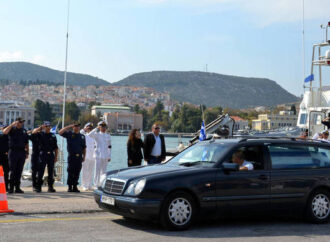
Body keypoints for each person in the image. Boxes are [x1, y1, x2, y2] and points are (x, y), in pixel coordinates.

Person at [2, 117, 29, 193]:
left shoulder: (24, 131)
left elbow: (26, 142)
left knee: (19, 170)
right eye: (20, 122)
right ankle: (11, 188)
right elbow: (4, 132)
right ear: (16, 122)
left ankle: (17, 187)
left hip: (22, 152)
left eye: (22, 122)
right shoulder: (12, 129)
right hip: (13, 152)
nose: (21, 123)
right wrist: (11, 124)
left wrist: (27, 152)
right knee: (13, 170)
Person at [59, 122, 86, 192]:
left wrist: (84, 156)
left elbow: (84, 148)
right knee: (70, 171)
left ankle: (75, 186)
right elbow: (60, 132)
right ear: (73, 127)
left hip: (79, 157)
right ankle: (70, 186)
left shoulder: (82, 136)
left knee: (77, 172)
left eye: (78, 126)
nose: (77, 127)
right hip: (72, 156)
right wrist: (69, 126)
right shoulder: (70, 134)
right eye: (75, 126)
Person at [32, 121, 58, 193]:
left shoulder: (53, 135)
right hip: (43, 154)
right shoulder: (40, 134)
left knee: (51, 172)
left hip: (51, 155)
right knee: (41, 171)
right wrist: (40, 127)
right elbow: (33, 132)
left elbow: (56, 148)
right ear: (44, 127)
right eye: (47, 126)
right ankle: (38, 187)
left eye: (49, 126)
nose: (48, 127)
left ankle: (50, 187)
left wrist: (56, 157)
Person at [87, 121, 111, 187]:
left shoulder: (108, 136)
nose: (103, 128)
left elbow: (109, 147)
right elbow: (89, 135)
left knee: (104, 171)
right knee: (97, 171)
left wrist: (109, 156)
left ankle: (101, 184)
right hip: (98, 155)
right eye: (102, 126)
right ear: (99, 127)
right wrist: (96, 128)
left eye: (104, 127)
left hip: (105, 156)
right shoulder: (96, 134)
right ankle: (95, 185)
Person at [80, 122, 95, 191]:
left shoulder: (94, 136)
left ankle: (89, 184)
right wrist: (84, 129)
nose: (90, 129)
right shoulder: (83, 135)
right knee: (85, 171)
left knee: (90, 171)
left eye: (91, 128)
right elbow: (80, 133)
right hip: (85, 156)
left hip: (92, 156)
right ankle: (84, 185)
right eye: (88, 127)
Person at [0, 125, 9, 191]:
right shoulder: (1, 135)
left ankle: (5, 186)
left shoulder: (9, 136)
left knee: (6, 172)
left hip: (6, 156)